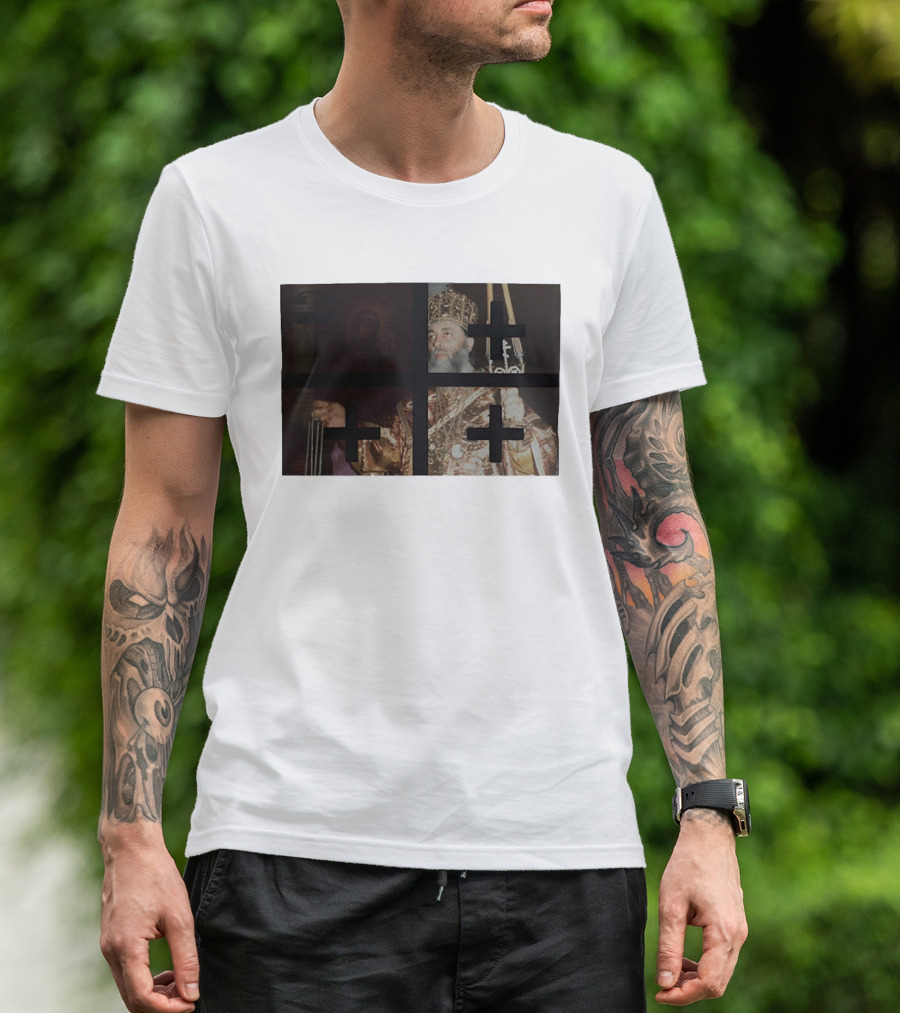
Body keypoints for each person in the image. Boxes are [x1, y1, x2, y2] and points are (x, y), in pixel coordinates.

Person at [97, 1, 748, 1011]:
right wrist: (131, 832)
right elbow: (161, 528)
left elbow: (653, 520)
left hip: (559, 852)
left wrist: (707, 808)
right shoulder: (212, 201)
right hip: (291, 850)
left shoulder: (607, 198)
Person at [310, 287, 560, 475]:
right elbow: (387, 451)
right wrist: (344, 422)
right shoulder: (414, 404)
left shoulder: (496, 396)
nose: (436, 342)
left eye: (447, 333)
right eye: (431, 336)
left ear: (469, 343)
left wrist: (518, 428)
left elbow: (543, 456)